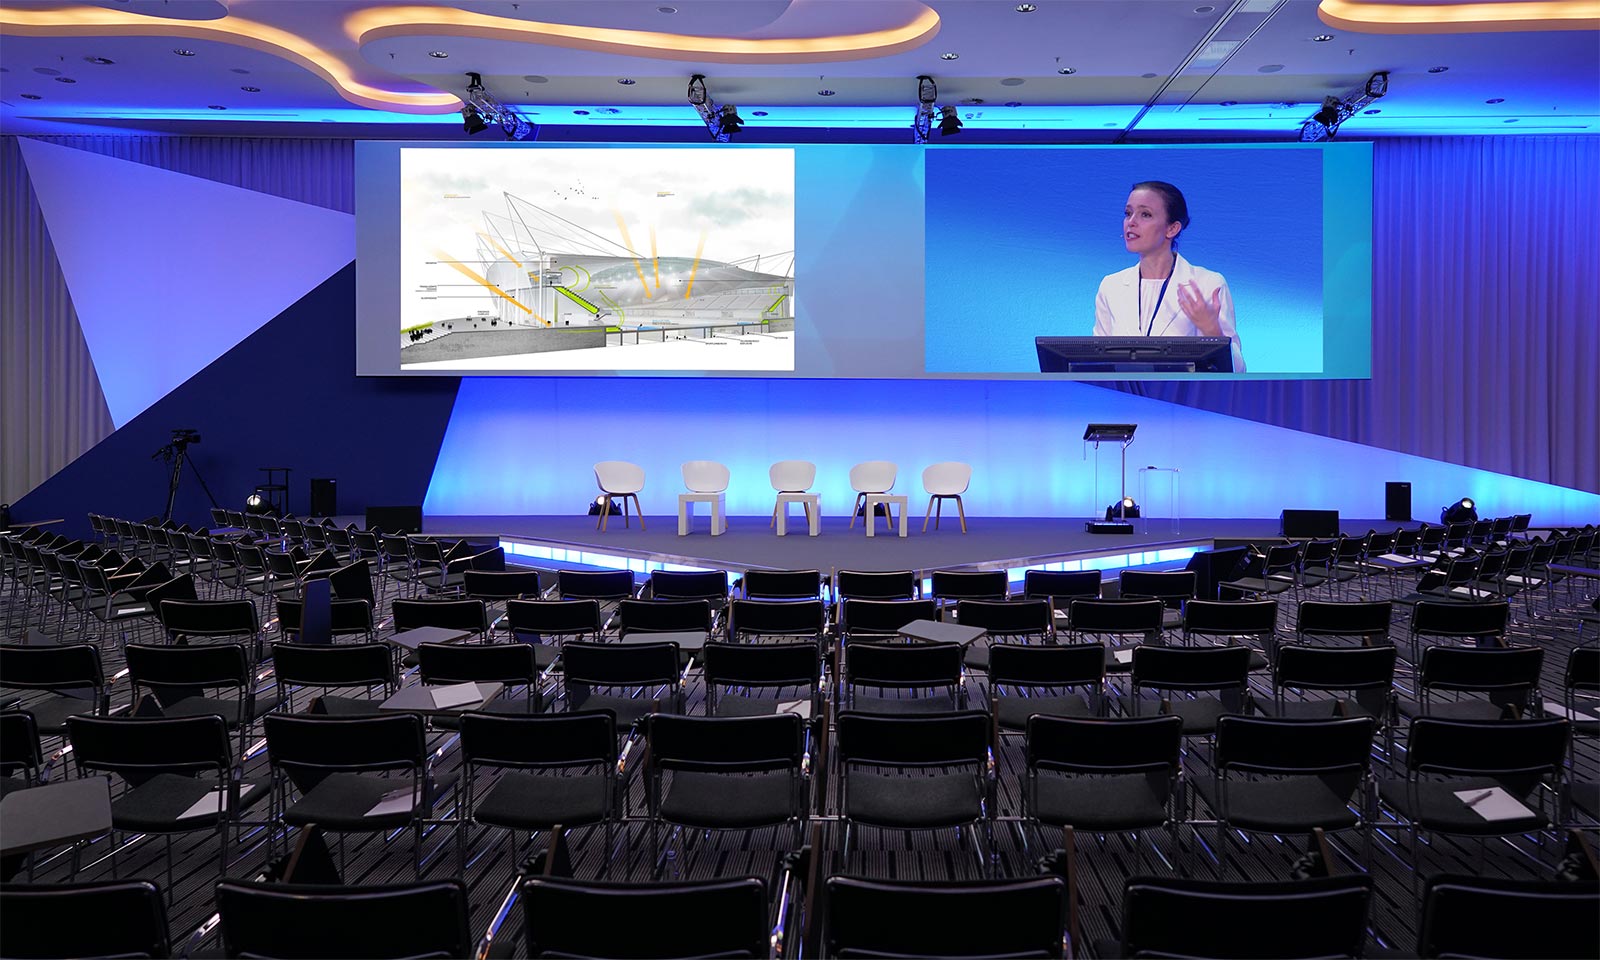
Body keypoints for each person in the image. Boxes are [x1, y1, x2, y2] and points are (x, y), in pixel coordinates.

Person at [1093, 181, 1245, 373]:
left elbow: (1238, 371)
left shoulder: (1207, 284)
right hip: (1125, 392)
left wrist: (1211, 330)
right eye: (1128, 213)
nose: (1131, 222)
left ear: (1172, 229)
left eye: (1145, 214)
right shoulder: (1111, 287)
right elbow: (1096, 364)